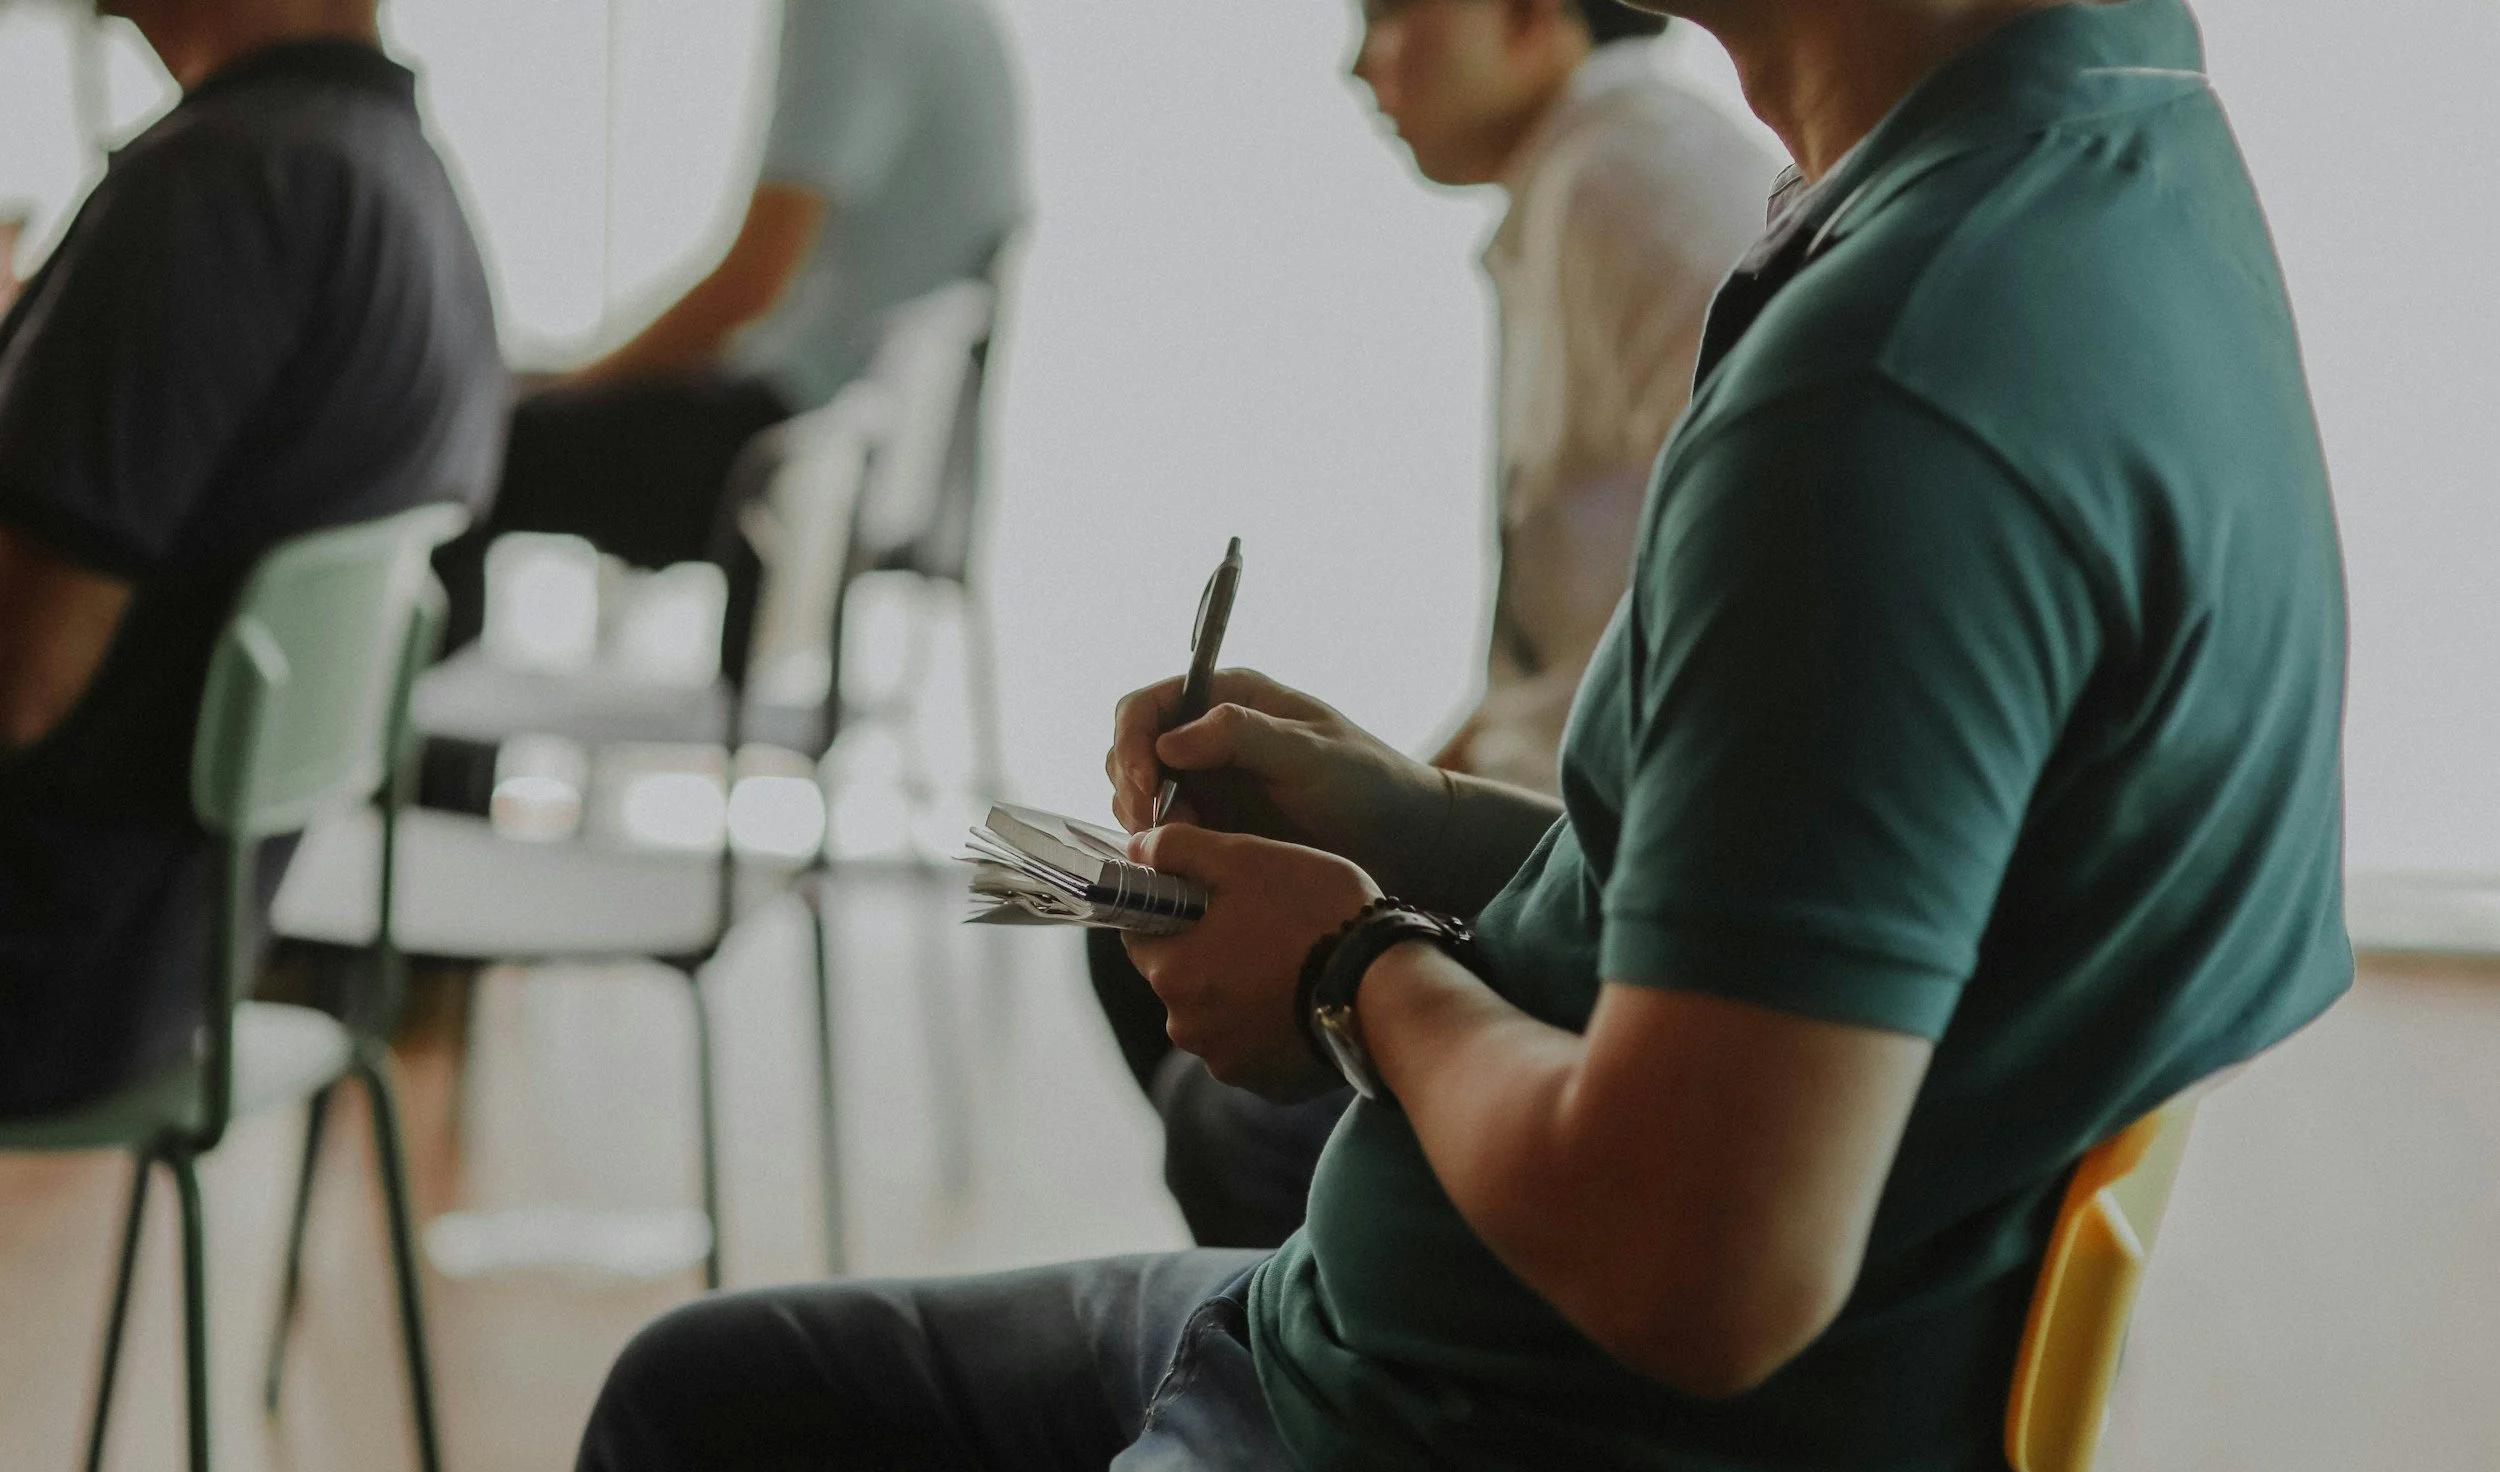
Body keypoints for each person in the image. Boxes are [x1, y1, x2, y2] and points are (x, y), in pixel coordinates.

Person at [568, 1, 2353, 1472]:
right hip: (1444, 1371)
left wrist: (1358, 969)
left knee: (718, 1460)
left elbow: (1701, 1265)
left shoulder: (1896, 385)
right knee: (694, 1423)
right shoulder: (2109, 156)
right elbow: (1793, 920)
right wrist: (1407, 819)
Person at [1088, 0, 1778, 1248]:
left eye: (1395, 13)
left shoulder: (1633, 187)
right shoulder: (1588, 177)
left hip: (1608, 878)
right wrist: (1393, 784)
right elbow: (1570, 642)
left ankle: (1332, 1354)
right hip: (1567, 829)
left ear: (1529, 15)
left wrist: (1405, 890)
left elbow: (1725, 649)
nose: (1361, 64)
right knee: (1144, 909)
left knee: (1217, 1087)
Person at [0, 0, 503, 1118]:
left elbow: (17, 683)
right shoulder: (396, 176)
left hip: (42, 970)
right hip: (177, 964)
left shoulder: (219, 185)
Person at [427, 0, 1026, 665]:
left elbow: (748, 286)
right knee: (495, 425)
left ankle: (425, 764)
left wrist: (570, 384)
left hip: (788, 462)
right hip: (841, 455)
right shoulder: (957, 17)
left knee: (457, 443)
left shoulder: (852, 11)